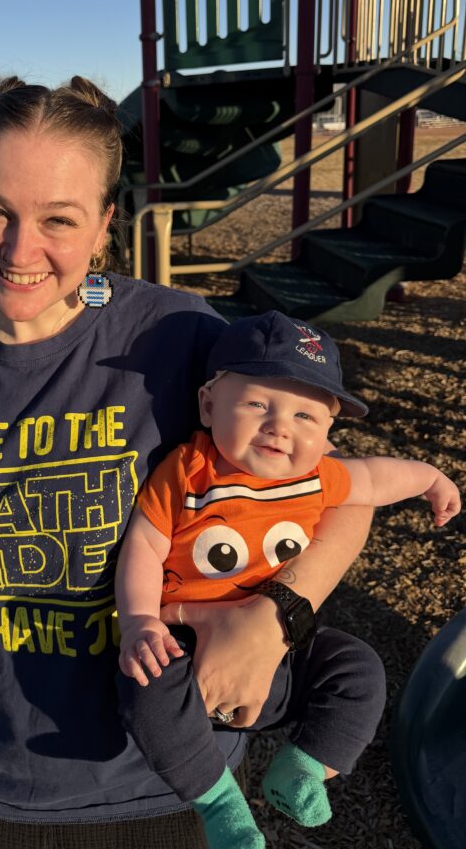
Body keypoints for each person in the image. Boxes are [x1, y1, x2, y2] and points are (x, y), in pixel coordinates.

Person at [0, 77, 379, 849]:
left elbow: (345, 495)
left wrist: (276, 618)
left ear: (103, 227)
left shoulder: (179, 337)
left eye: (58, 219)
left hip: (175, 777)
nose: (21, 251)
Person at [116, 310, 461, 849]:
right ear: (209, 404)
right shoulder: (189, 471)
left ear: (327, 433)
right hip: (188, 649)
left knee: (359, 668)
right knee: (144, 682)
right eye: (258, 404)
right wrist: (139, 620)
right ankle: (217, 802)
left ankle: (303, 766)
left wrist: (431, 479)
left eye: (306, 415)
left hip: (285, 651)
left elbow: (376, 476)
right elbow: (144, 545)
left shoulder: (319, 475)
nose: (281, 426)